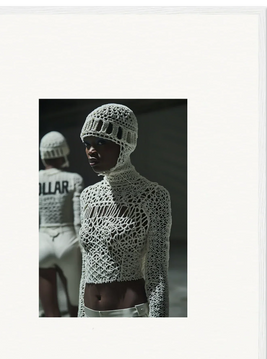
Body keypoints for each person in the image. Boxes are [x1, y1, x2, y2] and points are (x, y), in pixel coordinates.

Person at [77, 103, 172, 317]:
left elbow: (156, 272)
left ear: (125, 143)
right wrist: (81, 314)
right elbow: (86, 266)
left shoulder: (152, 195)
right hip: (90, 310)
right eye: (87, 143)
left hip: (128, 311)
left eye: (101, 142)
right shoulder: (88, 196)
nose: (92, 150)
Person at [39, 131, 84, 317]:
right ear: (63, 152)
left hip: (41, 242)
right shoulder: (74, 179)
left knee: (50, 314)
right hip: (68, 242)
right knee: (76, 307)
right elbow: (78, 220)